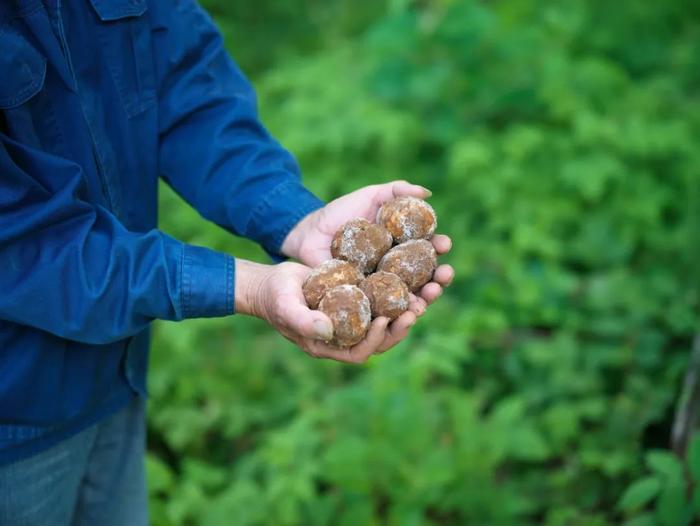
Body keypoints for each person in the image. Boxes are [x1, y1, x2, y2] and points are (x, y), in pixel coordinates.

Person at [0, 0, 453, 524]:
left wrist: (295, 220)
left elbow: (189, 92)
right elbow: (22, 242)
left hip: (115, 376)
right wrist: (245, 286)